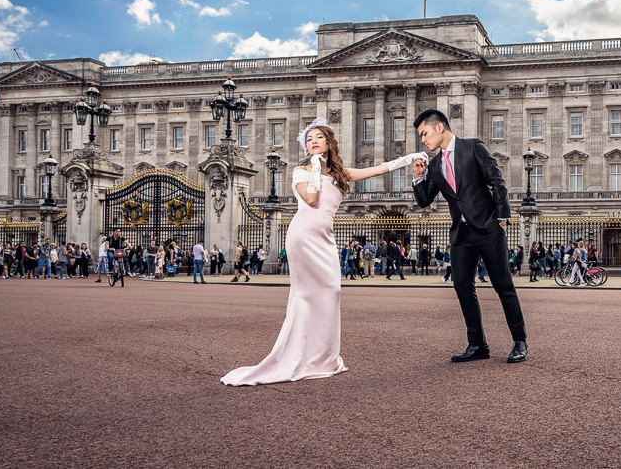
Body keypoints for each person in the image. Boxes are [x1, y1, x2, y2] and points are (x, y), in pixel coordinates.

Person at [221, 118, 425, 386]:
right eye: (309, 139)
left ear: (328, 142)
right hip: (303, 235)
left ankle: (323, 357)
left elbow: (377, 170)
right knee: (305, 296)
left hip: (325, 236)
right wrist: (315, 169)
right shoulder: (300, 171)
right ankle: (299, 356)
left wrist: (409, 159)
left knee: (332, 291)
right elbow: (311, 199)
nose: (313, 142)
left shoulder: (339, 174)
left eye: (318, 137)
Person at [412, 109, 528, 364]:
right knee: (462, 286)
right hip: (461, 233)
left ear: (439, 127)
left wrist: (501, 218)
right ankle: (477, 345)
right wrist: (418, 177)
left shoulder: (473, 147)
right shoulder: (435, 164)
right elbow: (424, 200)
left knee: (503, 286)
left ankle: (519, 340)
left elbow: (497, 182)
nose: (423, 140)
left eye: (424, 133)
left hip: (488, 228)